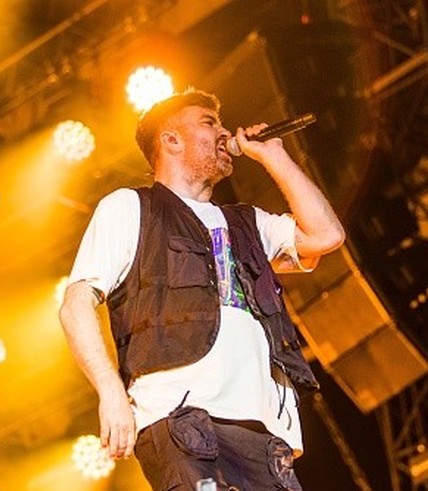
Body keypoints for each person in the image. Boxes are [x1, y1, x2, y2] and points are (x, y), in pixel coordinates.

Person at [59, 88, 345, 490]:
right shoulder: (132, 207)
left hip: (262, 432)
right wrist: (110, 392)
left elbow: (326, 234)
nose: (224, 132)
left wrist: (274, 156)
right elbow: (76, 306)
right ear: (171, 140)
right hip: (179, 417)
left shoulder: (249, 223)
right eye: (209, 123)